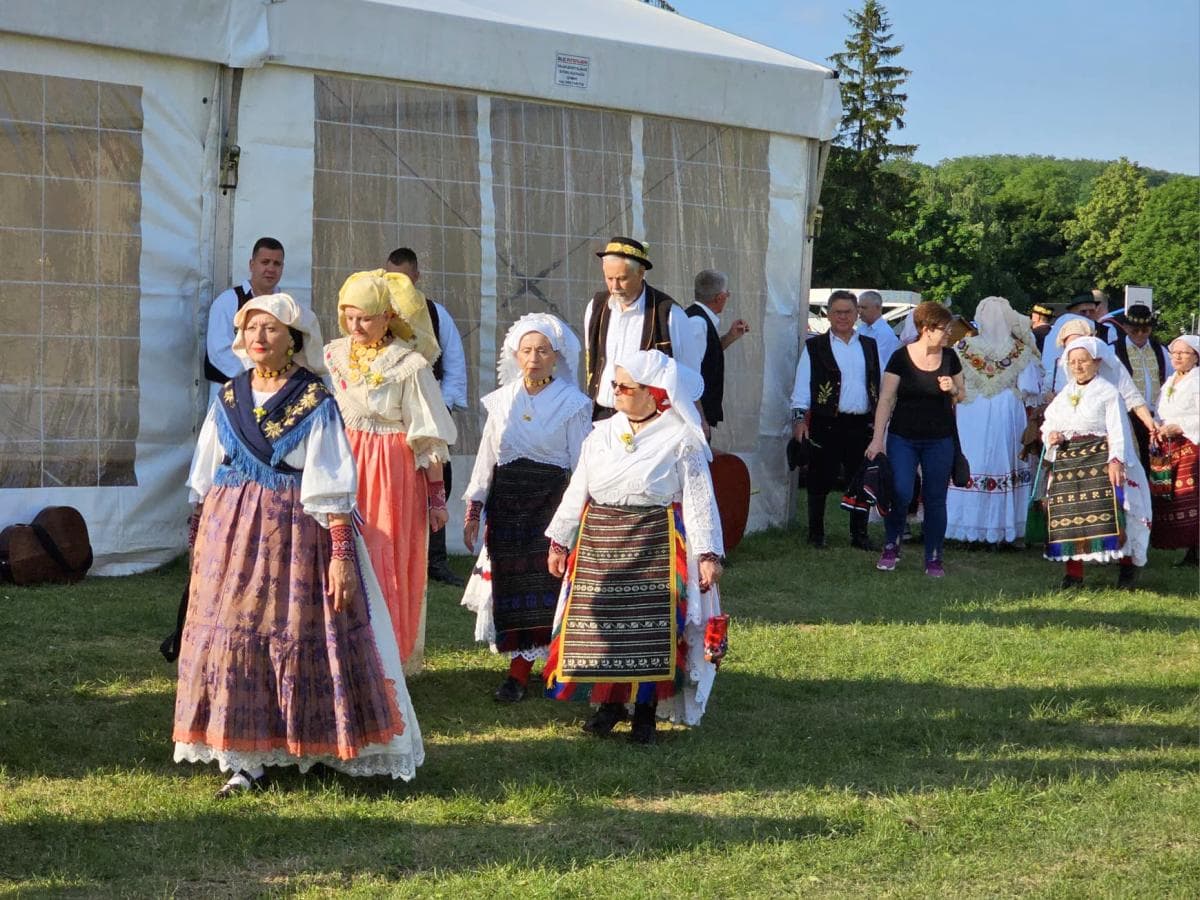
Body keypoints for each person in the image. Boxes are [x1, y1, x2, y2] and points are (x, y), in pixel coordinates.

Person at [175, 293, 423, 796]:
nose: (258, 338)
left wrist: (341, 555)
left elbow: (332, 481)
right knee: (235, 635)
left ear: (293, 338)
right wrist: (200, 534)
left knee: (295, 630)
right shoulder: (230, 395)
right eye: (251, 328)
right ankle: (245, 757)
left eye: (270, 329)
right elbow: (206, 470)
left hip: (294, 532)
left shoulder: (314, 399)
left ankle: (312, 740)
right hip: (231, 530)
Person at [543, 350, 726, 745]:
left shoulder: (681, 438)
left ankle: (645, 714)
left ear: (653, 392)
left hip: (654, 541)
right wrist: (559, 541)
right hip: (600, 540)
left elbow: (699, 498)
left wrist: (708, 555)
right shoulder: (601, 433)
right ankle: (609, 706)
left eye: (625, 387)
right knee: (601, 628)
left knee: (651, 630)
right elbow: (578, 488)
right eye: (615, 385)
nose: (616, 392)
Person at [324, 270, 457, 676]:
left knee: (384, 556)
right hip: (343, 462)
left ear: (387, 316)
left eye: (364, 318)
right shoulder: (333, 355)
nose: (355, 326)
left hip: (390, 471)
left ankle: (384, 659)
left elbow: (428, 435)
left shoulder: (409, 365)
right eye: (349, 317)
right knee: (337, 552)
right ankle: (339, 652)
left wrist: (436, 497)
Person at [459, 314, 592, 702]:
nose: (534, 358)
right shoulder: (502, 401)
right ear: (515, 355)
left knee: (547, 585)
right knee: (510, 585)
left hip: (549, 507)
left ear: (556, 357)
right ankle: (517, 669)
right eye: (527, 350)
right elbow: (487, 458)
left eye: (543, 351)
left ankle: (539, 668)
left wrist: (578, 516)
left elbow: (582, 465)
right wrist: (474, 508)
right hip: (506, 508)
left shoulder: (571, 404)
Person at [386, 247, 469, 588]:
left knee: (436, 482)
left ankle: (435, 560)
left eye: (403, 278)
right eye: (391, 278)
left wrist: (439, 406)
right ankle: (395, 557)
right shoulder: (379, 313)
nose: (397, 286)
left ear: (416, 277)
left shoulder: (435, 313)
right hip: (391, 418)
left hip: (428, 413)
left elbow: (454, 364)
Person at [867, 301, 966, 577]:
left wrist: (952, 389)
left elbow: (962, 394)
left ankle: (934, 557)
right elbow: (886, 399)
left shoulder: (951, 357)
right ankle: (891, 545)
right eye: (945, 329)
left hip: (940, 439)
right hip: (903, 437)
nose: (949, 334)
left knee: (935, 497)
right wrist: (877, 439)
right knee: (900, 492)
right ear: (926, 329)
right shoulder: (900, 357)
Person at [1041, 337, 1145, 589]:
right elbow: (1049, 422)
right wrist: (1051, 435)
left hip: (1100, 459)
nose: (1077, 366)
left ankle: (1126, 569)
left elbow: (1118, 428)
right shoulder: (1065, 394)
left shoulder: (1108, 392)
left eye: (1083, 361)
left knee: (1117, 512)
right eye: (1073, 362)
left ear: (1097, 362)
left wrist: (1116, 460)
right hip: (1068, 461)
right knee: (1069, 516)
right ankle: (1073, 575)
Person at [945, 297, 1042, 545]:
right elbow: (1029, 388)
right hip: (1005, 410)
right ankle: (1000, 527)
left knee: (973, 459)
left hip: (971, 410)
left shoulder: (963, 347)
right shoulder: (1020, 350)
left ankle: (965, 525)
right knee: (999, 459)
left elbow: (953, 382)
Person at [790, 290, 880, 550]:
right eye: (837, 312)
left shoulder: (869, 345)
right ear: (828, 315)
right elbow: (802, 387)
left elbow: (878, 382)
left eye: (848, 312)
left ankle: (859, 534)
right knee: (819, 478)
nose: (843, 317)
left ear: (856, 314)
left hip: (861, 423)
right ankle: (816, 533)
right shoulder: (815, 347)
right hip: (826, 421)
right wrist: (799, 420)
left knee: (860, 479)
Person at [583, 237, 703, 421]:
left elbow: (689, 373)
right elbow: (591, 356)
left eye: (622, 279)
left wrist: (696, 418)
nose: (615, 287)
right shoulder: (596, 307)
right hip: (601, 416)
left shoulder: (669, 313)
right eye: (609, 278)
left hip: (649, 420)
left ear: (640, 273)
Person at [203, 237, 284, 405]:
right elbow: (219, 352)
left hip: (274, 395)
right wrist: (259, 373)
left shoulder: (286, 307)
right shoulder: (228, 302)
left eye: (277, 264)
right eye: (265, 262)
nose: (271, 268)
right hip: (230, 394)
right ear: (251, 265)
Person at [1151, 335, 1200, 566]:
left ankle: (1195, 550)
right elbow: (1160, 410)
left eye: (1184, 353)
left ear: (1196, 357)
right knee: (1172, 496)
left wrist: (1180, 426)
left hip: (1191, 443)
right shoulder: (1170, 381)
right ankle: (1186, 547)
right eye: (1174, 353)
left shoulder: (1197, 381)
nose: (1178, 357)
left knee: (1192, 495)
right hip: (1169, 446)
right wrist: (1157, 426)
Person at [685, 269, 750, 440]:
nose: (727, 297)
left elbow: (706, 356)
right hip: (693, 417)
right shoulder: (697, 323)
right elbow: (689, 374)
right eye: (727, 294)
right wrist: (700, 418)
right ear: (719, 298)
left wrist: (730, 336)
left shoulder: (699, 320)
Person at [1111, 304, 1173, 471]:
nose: (1140, 334)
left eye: (1145, 330)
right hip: (1127, 417)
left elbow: (1170, 379)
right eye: (1135, 330)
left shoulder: (1160, 350)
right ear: (1125, 328)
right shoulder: (1113, 351)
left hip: (1157, 416)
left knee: (1157, 464)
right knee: (1133, 464)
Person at [856, 290, 901, 369]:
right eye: (858, 307)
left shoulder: (885, 333)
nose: (859, 311)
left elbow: (877, 365)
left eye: (864, 307)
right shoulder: (861, 328)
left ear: (878, 308)